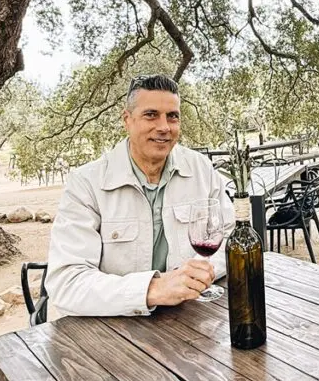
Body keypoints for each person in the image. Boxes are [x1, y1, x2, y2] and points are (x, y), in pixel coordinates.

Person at [47, 74, 235, 316]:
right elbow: (66, 283)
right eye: (151, 115)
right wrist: (153, 289)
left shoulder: (201, 169)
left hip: (189, 318)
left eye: (173, 117)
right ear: (127, 119)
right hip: (113, 330)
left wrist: (197, 276)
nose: (164, 127)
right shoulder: (86, 183)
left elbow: (230, 237)